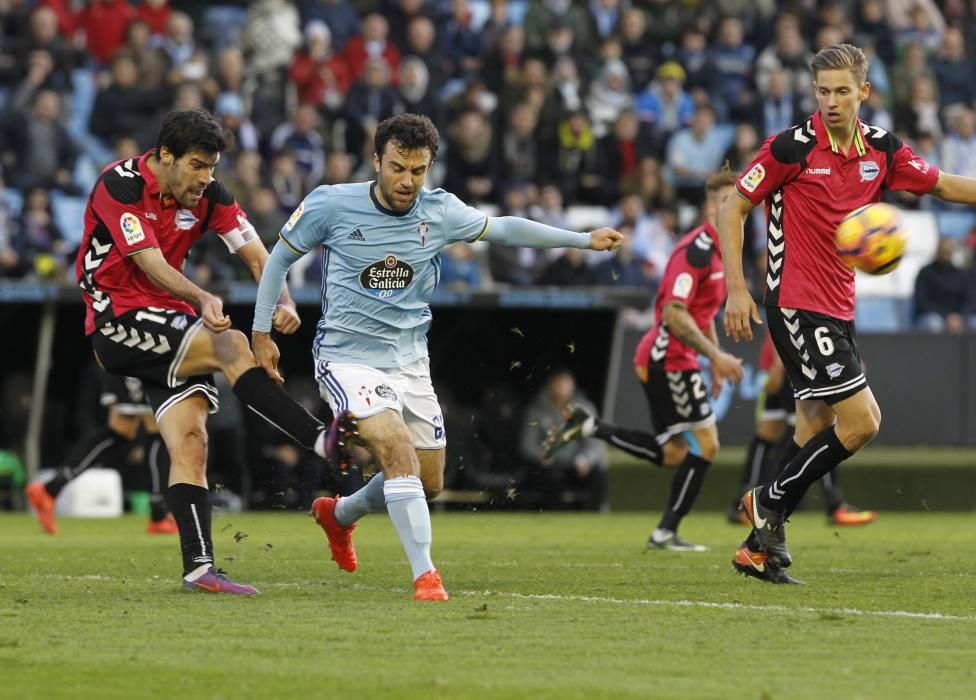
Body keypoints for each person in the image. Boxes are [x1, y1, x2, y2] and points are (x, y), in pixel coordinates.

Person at [250, 113, 622, 601]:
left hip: (410, 362)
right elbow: (278, 258)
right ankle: (426, 576)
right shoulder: (331, 204)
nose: (407, 181)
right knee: (396, 449)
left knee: (429, 481)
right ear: (377, 160)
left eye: (418, 170)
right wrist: (260, 332)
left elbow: (504, 230)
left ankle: (338, 514)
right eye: (398, 168)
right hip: (347, 358)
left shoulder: (439, 211)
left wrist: (581, 239)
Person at [721, 43, 976, 584]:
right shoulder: (790, 148)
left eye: (842, 91)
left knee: (812, 426)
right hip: (793, 302)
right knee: (862, 422)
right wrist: (736, 290)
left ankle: (758, 546)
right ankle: (766, 501)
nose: (831, 101)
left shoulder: (881, 150)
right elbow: (733, 206)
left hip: (838, 307)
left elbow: (944, 184)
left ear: (863, 92)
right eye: (822, 91)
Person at [73, 108, 350, 595]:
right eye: (197, 165)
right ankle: (321, 440)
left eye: (212, 167)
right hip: (117, 321)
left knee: (191, 441)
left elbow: (257, 254)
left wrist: (282, 301)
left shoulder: (210, 197)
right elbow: (149, 261)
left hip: (170, 325)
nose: (206, 178)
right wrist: (202, 298)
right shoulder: (119, 185)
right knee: (231, 342)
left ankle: (199, 568)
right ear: (165, 157)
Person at [544, 168, 745, 551]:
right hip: (667, 358)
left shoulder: (723, 249)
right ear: (708, 207)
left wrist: (714, 360)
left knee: (674, 453)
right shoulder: (696, 251)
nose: (733, 207)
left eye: (738, 201)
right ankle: (665, 532)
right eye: (724, 201)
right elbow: (674, 312)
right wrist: (715, 356)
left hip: (675, 358)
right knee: (708, 445)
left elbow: (704, 312)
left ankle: (591, 427)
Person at [726, 332, 878, 527]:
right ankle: (833, 504)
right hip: (797, 364)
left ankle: (749, 502)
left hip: (792, 363)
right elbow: (787, 320)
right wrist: (777, 365)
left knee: (772, 434)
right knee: (816, 434)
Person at [26, 372, 178, 535]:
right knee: (154, 428)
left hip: (127, 351)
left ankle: (51, 488)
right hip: (140, 351)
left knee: (123, 430)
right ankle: (159, 515)